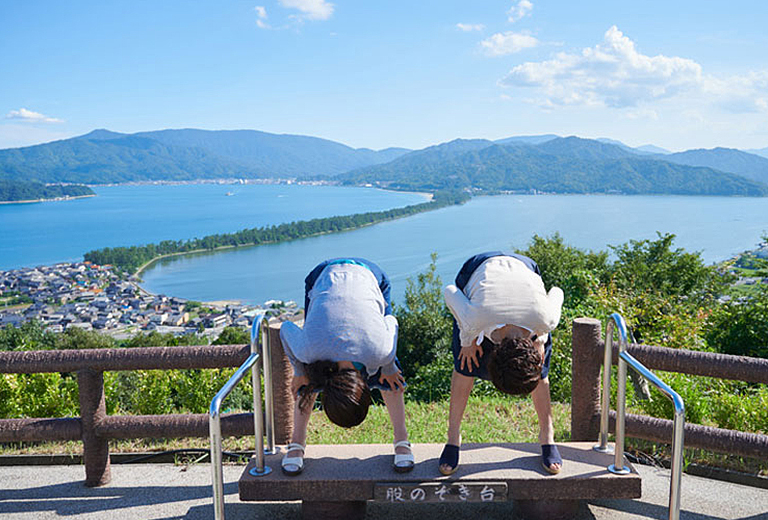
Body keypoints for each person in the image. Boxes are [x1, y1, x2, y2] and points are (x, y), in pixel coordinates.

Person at [278, 257, 414, 476]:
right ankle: (296, 446)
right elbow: (285, 328)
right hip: (326, 280)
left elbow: (392, 323)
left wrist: (389, 367)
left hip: (364, 280)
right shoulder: (309, 350)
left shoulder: (379, 351)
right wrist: (300, 373)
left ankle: (402, 441)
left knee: (392, 373)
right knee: (307, 375)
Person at [439, 251, 565, 475]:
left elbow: (556, 292)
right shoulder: (472, 319)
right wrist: (467, 340)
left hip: (525, 274)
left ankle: (547, 435)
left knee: (539, 373)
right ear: (493, 354)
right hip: (477, 268)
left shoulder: (546, 319)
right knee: (465, 365)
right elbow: (450, 291)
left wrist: (541, 337)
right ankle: (453, 437)